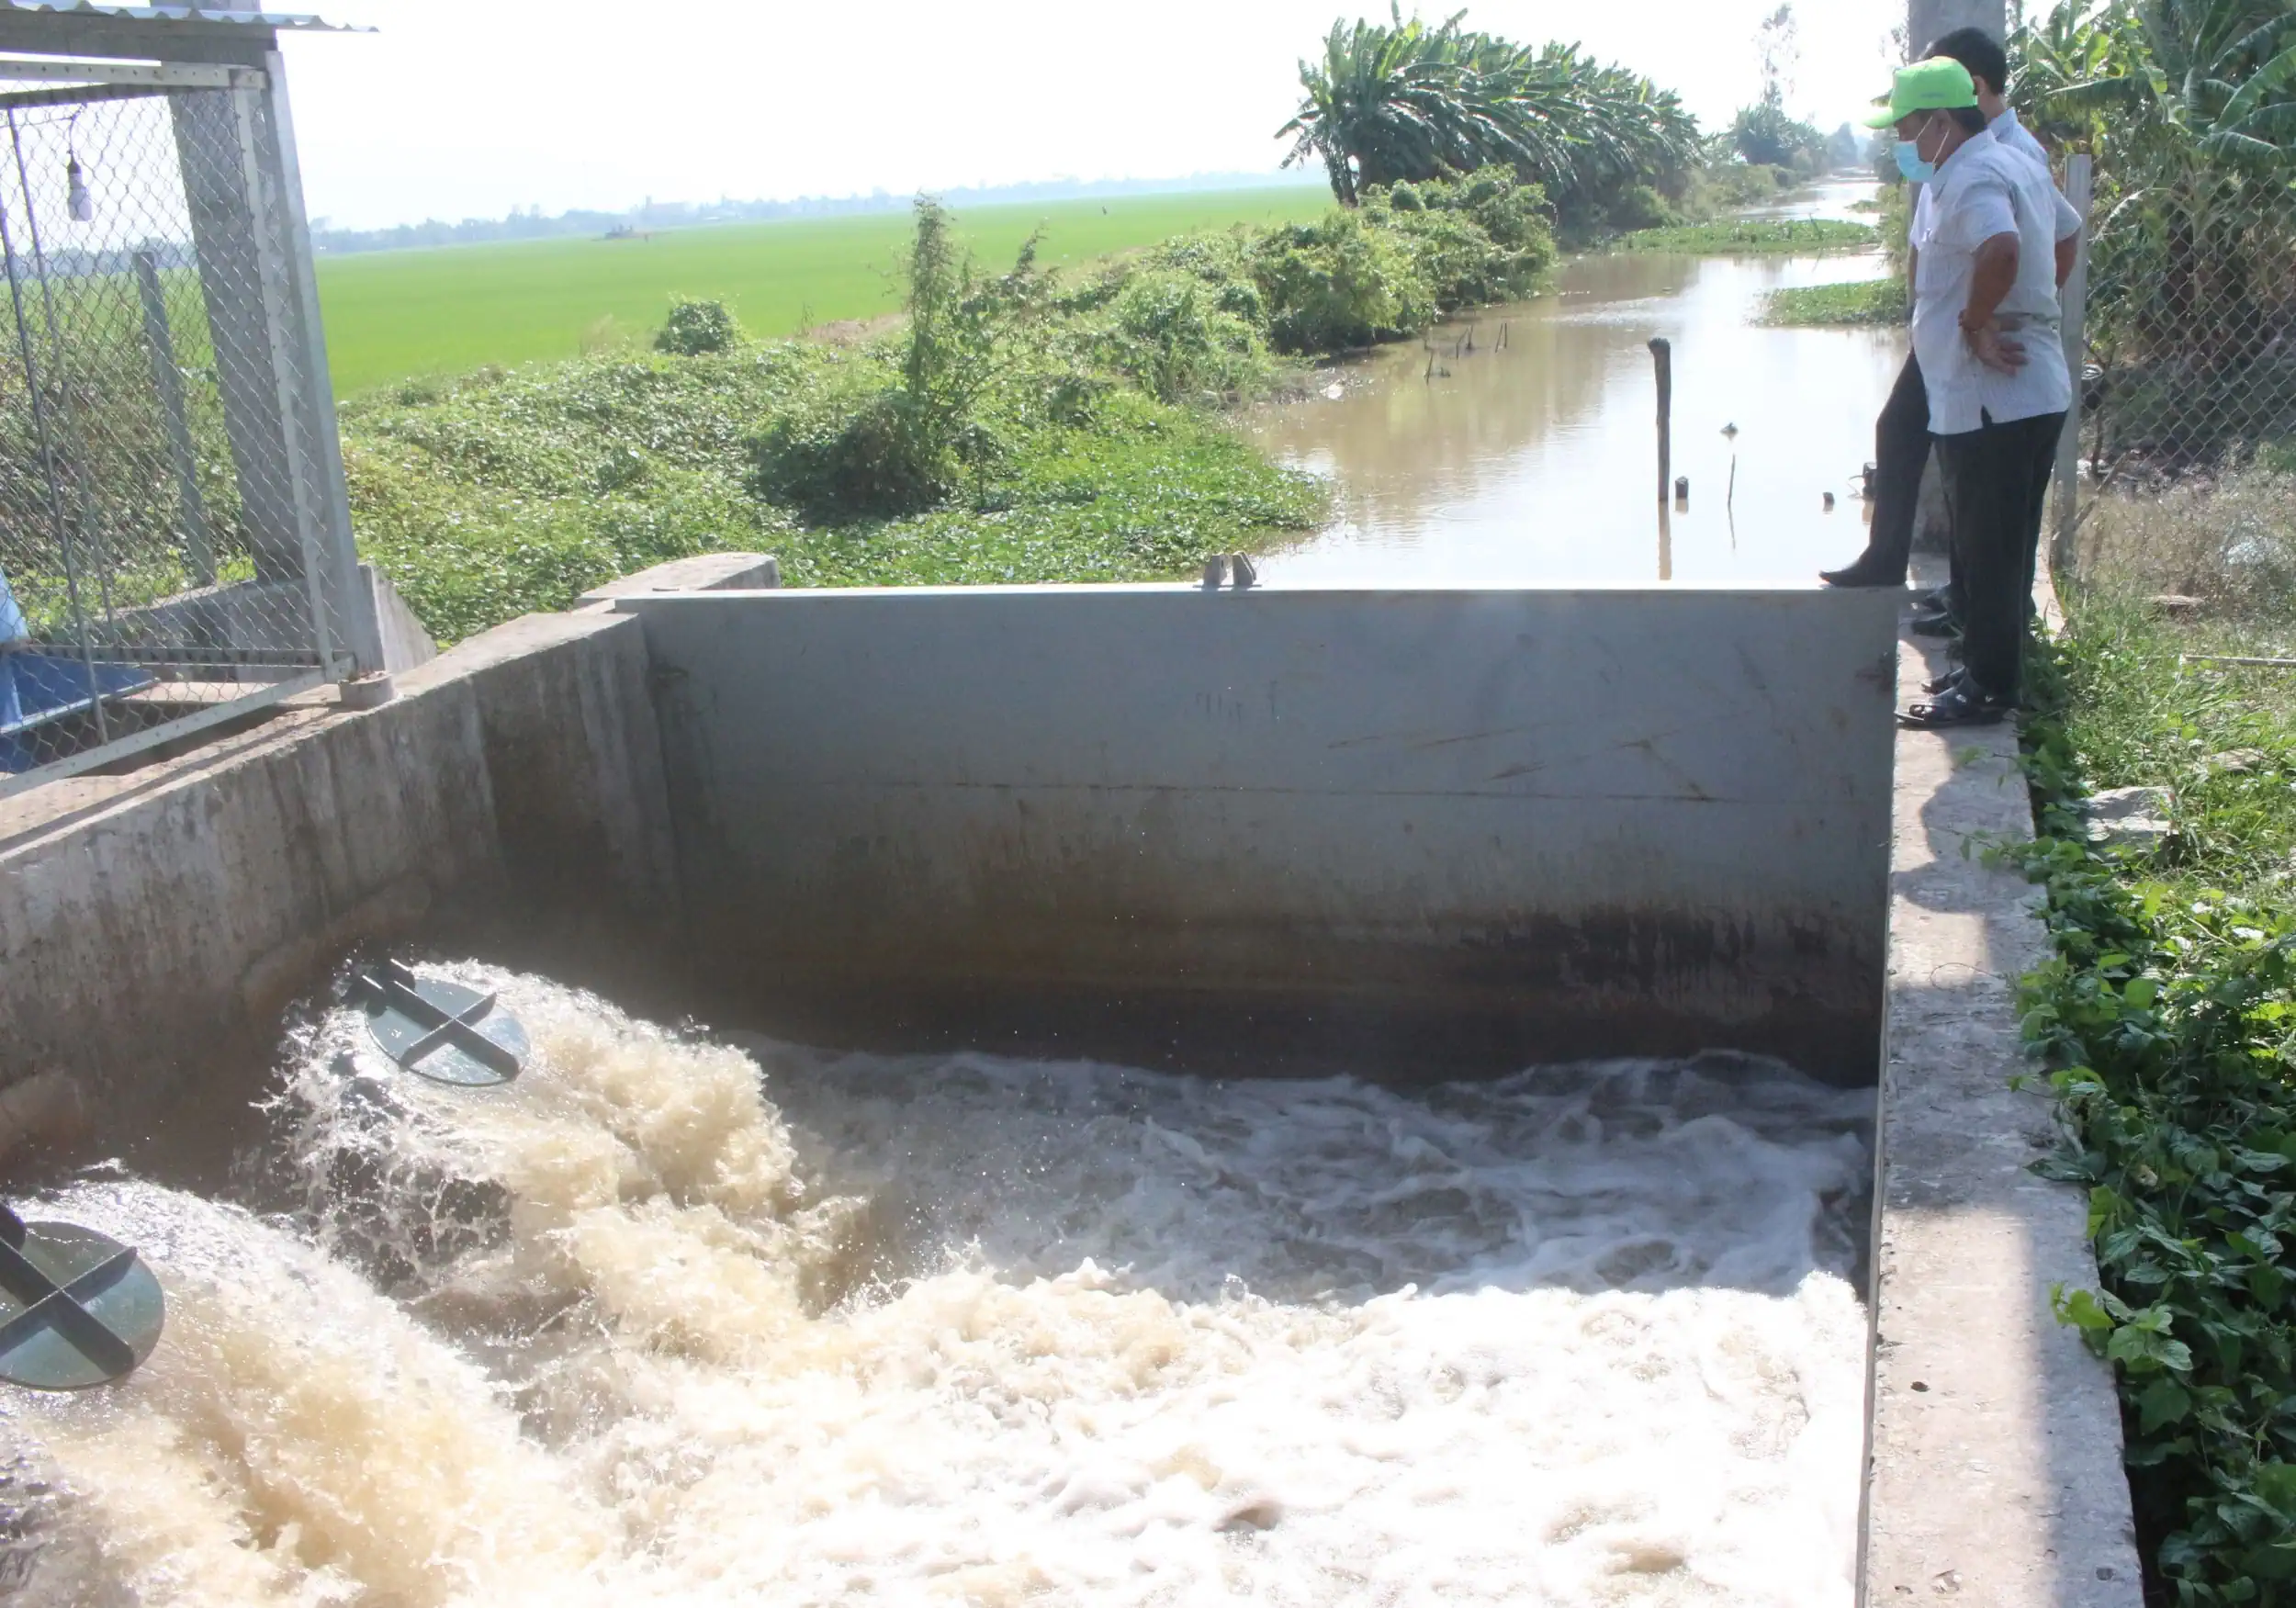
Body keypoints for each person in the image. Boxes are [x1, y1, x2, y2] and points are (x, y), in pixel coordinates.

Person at [1820, 28, 2082, 613]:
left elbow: (2042, 243)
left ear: (1972, 88)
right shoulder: (1956, 152)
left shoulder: (2009, 153)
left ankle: (1976, 609)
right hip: (1953, 331)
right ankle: (1911, 570)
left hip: (1977, 339)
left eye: (1911, 122)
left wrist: (2000, 312)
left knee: (1979, 483)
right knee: (1912, 438)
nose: (1904, 136)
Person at [1872, 58, 2071, 728]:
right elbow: (2066, 232)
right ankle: (1988, 668)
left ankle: (1988, 689)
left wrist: (1978, 321)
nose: (1901, 141)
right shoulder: (2009, 162)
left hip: (1994, 395)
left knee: (1989, 549)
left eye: (1906, 128)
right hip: (2019, 390)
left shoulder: (1974, 176)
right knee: (1999, 546)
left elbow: (2002, 249)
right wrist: (2031, 307)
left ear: (1938, 122)